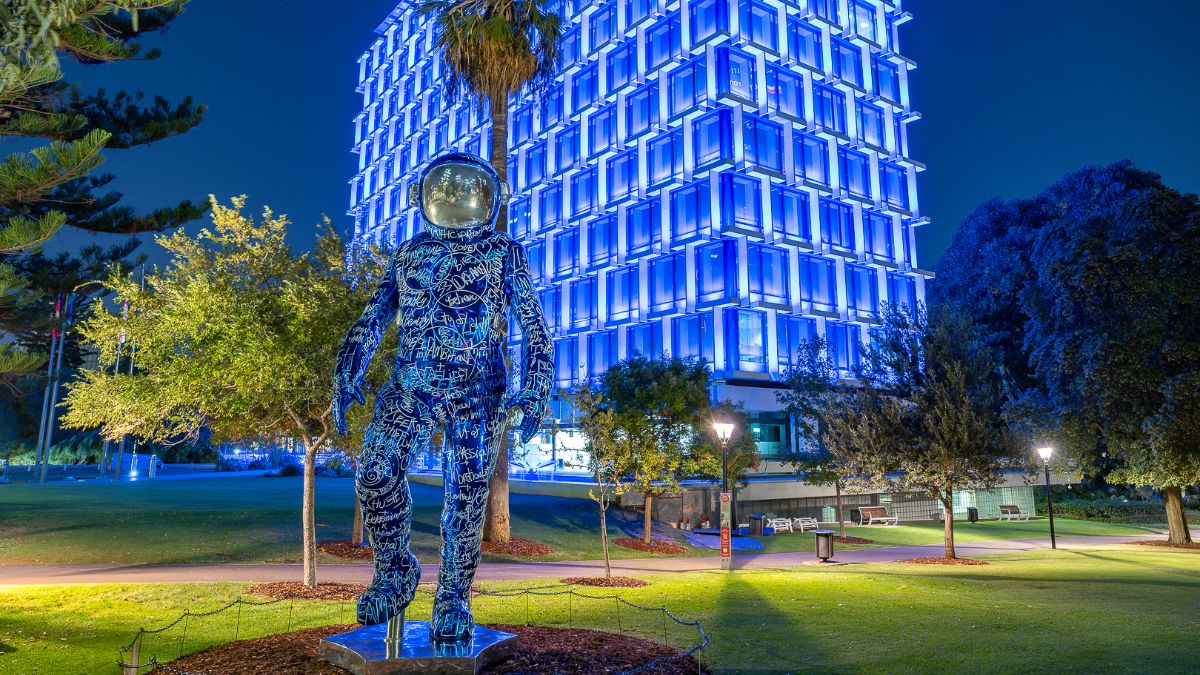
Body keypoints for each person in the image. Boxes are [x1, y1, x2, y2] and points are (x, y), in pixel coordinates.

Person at [332, 153, 553, 642]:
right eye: (444, 190)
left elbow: (533, 324)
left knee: (467, 497)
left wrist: (536, 386)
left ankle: (453, 596)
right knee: (374, 468)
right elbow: (374, 316)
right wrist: (349, 368)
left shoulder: (504, 253)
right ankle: (395, 570)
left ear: (492, 198)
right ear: (423, 198)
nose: (456, 198)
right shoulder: (409, 253)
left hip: (480, 388)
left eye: (469, 190)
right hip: (412, 382)